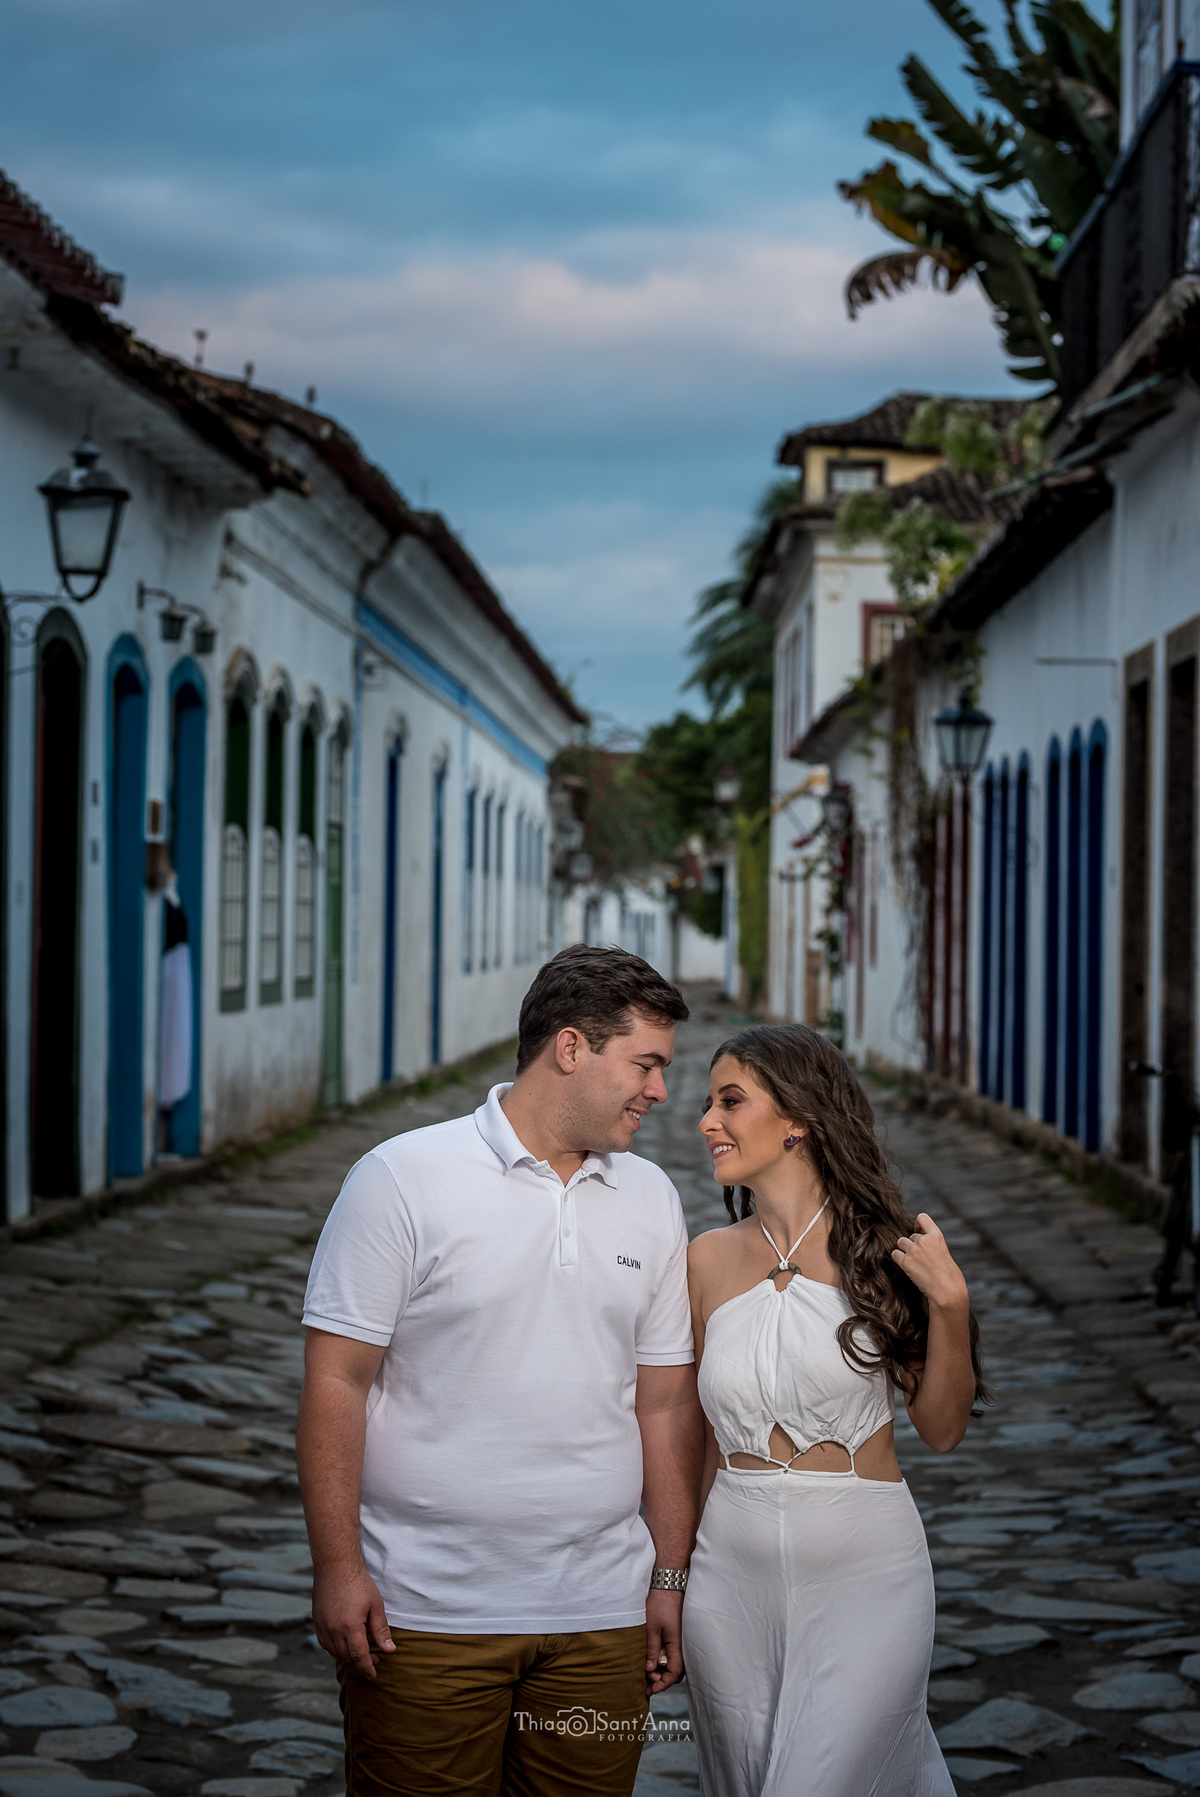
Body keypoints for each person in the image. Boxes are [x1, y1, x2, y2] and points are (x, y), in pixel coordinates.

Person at [297, 944, 703, 1797]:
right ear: (570, 1048)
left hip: (600, 1618)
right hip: (425, 1617)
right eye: (646, 1064)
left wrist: (668, 1577)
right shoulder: (402, 1179)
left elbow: (665, 1405)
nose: (660, 1092)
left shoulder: (654, 1197)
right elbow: (337, 1381)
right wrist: (338, 1567)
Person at [683, 1024, 983, 1797]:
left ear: (799, 1118)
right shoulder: (705, 1261)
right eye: (708, 1103)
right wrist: (672, 1577)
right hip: (730, 1585)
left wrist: (949, 1305)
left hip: (866, 1579)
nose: (707, 1121)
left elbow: (943, 1429)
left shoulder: (885, 1252)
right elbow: (700, 1441)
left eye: (730, 1100)